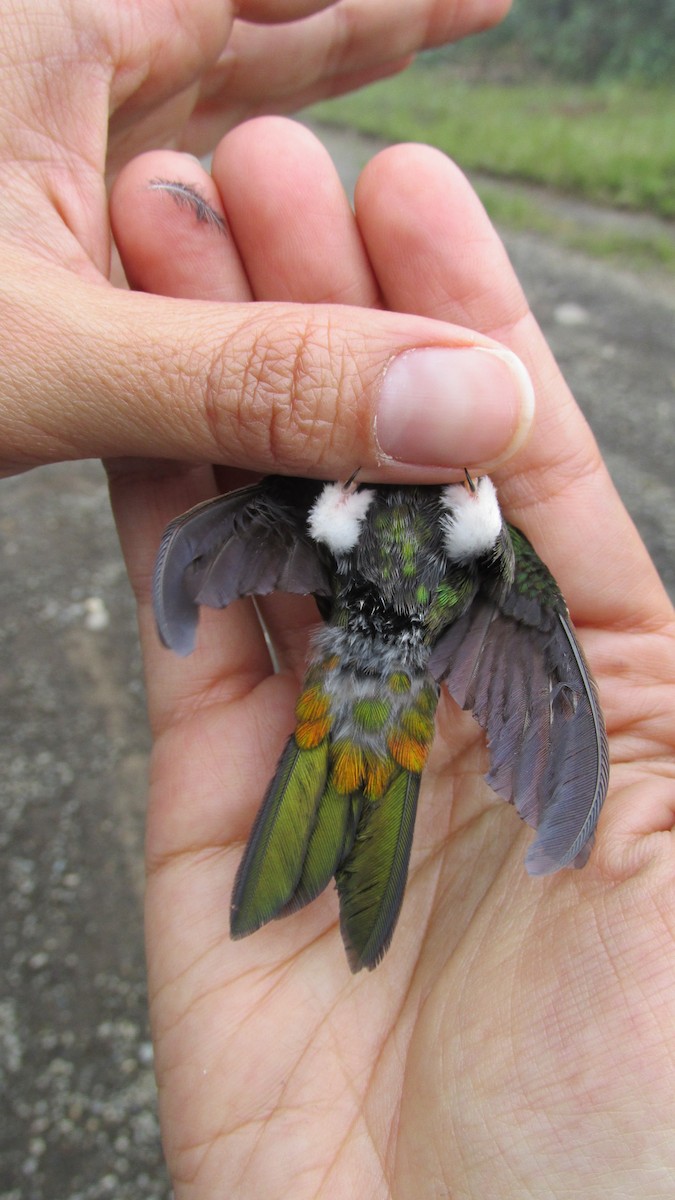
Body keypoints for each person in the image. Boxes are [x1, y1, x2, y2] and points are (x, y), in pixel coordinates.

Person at [2, 3, 674, 1197]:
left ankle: (352, 838)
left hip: (389, 675)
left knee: (389, 733)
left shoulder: (499, 557)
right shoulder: (462, 539)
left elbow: (527, 617)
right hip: (372, 663)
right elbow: (278, 525)